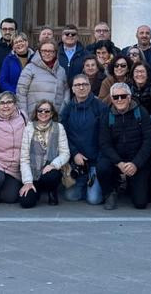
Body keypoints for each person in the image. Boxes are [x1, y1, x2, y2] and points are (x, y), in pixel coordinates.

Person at [97, 83, 151, 210]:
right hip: (115, 159)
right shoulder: (106, 114)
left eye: (123, 96)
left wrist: (136, 163)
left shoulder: (141, 112)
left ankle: (132, 184)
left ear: (129, 97)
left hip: (136, 159)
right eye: (116, 97)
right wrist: (119, 163)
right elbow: (104, 143)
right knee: (102, 167)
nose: (119, 100)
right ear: (111, 99)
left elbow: (149, 140)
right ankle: (110, 192)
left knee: (141, 203)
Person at [60, 74, 105, 205]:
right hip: (77, 162)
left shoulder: (100, 107)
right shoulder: (67, 109)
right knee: (71, 196)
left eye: (84, 84)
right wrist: (74, 153)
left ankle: (97, 184)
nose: (81, 88)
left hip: (95, 162)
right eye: (77, 85)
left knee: (94, 200)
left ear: (89, 87)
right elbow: (63, 135)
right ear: (72, 89)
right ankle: (86, 183)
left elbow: (105, 135)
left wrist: (98, 160)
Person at [18, 99, 69, 207]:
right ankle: (37, 188)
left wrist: (53, 165)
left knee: (52, 175)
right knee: (26, 202)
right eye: (40, 110)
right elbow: (24, 158)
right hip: (33, 171)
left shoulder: (59, 128)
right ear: (36, 113)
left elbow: (65, 153)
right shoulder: (28, 129)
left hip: (49, 169)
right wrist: (28, 182)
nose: (43, 113)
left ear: (51, 114)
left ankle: (52, 191)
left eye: (47, 111)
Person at [17, 40, 67, 117]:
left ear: (55, 53)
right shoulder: (30, 68)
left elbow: (66, 93)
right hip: (34, 117)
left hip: (55, 118)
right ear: (39, 52)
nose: (47, 53)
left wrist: (61, 113)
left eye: (51, 51)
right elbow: (21, 93)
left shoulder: (61, 71)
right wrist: (24, 116)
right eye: (44, 51)